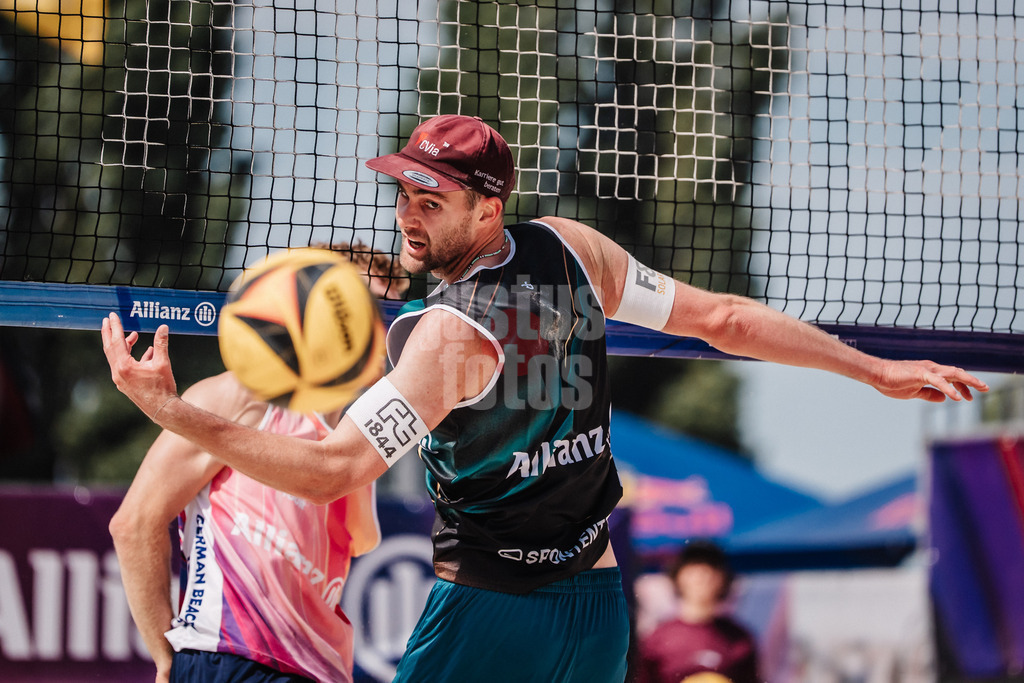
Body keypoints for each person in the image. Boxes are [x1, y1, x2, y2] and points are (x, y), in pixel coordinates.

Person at [101, 114, 989, 682]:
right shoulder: (570, 251)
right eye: (402, 190)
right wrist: (869, 368)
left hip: (489, 614)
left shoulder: (444, 339)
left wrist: (172, 408)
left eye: (430, 197)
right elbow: (721, 319)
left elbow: (334, 471)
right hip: (597, 607)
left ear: (488, 208)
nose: (407, 214)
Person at [108, 249, 407, 683]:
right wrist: (165, 659)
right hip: (230, 653)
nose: (378, 328)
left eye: (391, 311)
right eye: (367, 308)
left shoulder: (350, 436)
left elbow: (361, 539)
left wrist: (346, 464)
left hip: (320, 668)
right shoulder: (240, 396)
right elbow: (133, 525)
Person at [635, 541, 759, 683]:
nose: (701, 578)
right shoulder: (656, 640)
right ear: (679, 576)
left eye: (710, 570)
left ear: (723, 579)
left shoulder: (739, 640)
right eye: (694, 570)